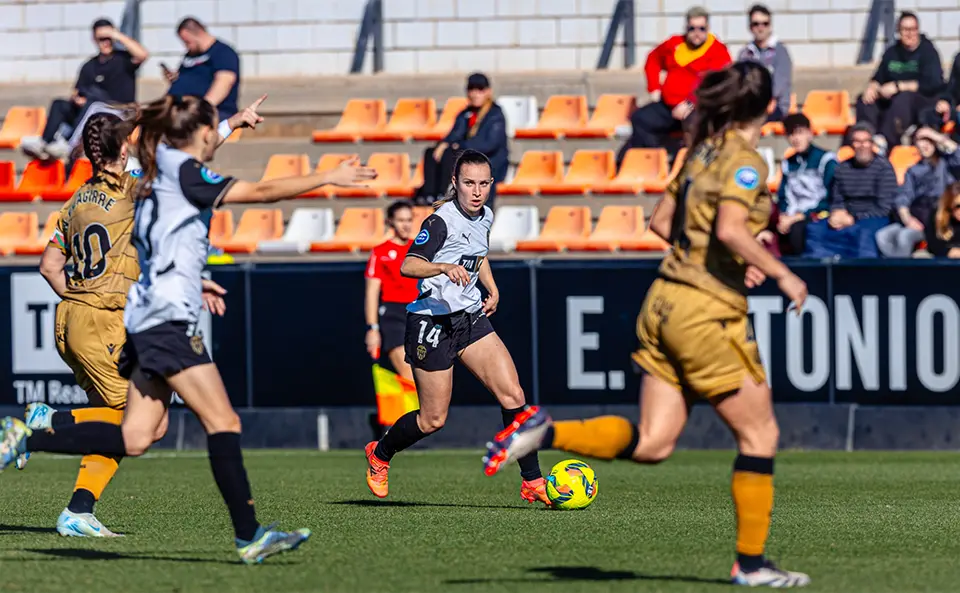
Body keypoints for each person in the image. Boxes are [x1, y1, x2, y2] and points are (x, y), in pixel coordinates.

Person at [0, 94, 376, 563]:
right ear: (197, 135)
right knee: (222, 421)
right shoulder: (169, 174)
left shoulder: (150, 176)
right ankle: (249, 536)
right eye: (212, 129)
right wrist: (327, 176)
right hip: (163, 322)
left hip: (143, 316)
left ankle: (29, 436)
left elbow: (138, 242)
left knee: (138, 434)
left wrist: (194, 277)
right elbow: (258, 193)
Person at [483, 62, 811, 587]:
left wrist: (720, 257)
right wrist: (782, 274)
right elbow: (729, 228)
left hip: (662, 301)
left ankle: (545, 430)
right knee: (761, 433)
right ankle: (751, 565)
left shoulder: (699, 152)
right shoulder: (746, 161)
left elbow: (662, 223)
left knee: (656, 443)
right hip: (706, 313)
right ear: (769, 107)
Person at [364, 150, 549, 506]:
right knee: (432, 419)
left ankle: (532, 480)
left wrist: (491, 287)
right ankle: (380, 453)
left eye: (483, 183)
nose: (476, 191)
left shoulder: (486, 214)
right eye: (469, 183)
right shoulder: (440, 221)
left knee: (514, 395)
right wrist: (443, 267)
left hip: (469, 318)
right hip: (431, 323)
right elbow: (410, 265)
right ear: (455, 183)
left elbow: (477, 255)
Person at [15, 113, 170, 538]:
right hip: (103, 321)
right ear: (123, 148)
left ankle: (79, 510)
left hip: (73, 319)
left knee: (132, 425)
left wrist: (79, 299)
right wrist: (229, 127)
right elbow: (183, 169)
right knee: (143, 422)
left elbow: (49, 266)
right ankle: (45, 422)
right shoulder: (129, 189)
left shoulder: (77, 199)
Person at [21, 18, 149, 161]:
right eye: (101, 39)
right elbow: (77, 91)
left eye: (108, 38)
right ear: (94, 39)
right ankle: (46, 142)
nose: (106, 42)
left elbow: (143, 55)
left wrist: (117, 35)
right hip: (91, 109)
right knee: (60, 104)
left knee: (94, 104)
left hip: (118, 110)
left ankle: (69, 146)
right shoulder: (89, 65)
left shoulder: (123, 59)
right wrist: (77, 99)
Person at [619, 6, 730, 160]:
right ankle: (658, 158)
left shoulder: (718, 51)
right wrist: (654, 87)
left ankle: (688, 162)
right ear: (686, 28)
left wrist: (691, 104)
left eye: (701, 28)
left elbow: (718, 84)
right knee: (640, 118)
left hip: (696, 109)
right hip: (667, 106)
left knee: (696, 127)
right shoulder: (674, 44)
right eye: (692, 28)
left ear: (708, 29)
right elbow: (653, 59)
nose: (696, 33)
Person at [805, 122, 897, 259]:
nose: (862, 146)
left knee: (863, 234)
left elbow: (884, 207)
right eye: (857, 142)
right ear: (851, 144)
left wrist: (853, 219)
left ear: (872, 143)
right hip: (846, 214)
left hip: (874, 217)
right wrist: (837, 213)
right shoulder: (842, 168)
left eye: (866, 141)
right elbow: (837, 199)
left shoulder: (884, 168)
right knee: (814, 230)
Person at [414, 73, 508, 208]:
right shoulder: (465, 114)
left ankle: (442, 192)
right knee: (432, 152)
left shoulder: (495, 115)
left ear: (488, 92)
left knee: (451, 153)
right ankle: (429, 194)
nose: (475, 94)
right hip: (467, 156)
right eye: (471, 89)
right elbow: (454, 134)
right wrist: (444, 144)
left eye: (480, 90)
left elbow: (489, 144)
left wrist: (459, 146)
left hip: (489, 162)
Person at [855, 11, 944, 151]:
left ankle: (884, 142)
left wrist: (899, 86)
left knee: (904, 98)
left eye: (913, 29)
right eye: (905, 30)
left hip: (921, 102)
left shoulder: (928, 52)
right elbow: (879, 76)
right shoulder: (892, 52)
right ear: (899, 31)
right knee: (865, 100)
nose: (910, 34)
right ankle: (866, 138)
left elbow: (933, 83)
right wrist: (873, 86)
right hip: (890, 101)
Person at [877, 127, 960, 257]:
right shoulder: (913, 170)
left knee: (904, 237)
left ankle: (902, 272)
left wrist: (936, 136)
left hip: (937, 218)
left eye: (928, 140)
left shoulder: (947, 164)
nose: (925, 144)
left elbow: (957, 153)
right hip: (917, 215)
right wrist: (908, 219)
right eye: (921, 140)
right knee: (882, 236)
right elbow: (903, 197)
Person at [365, 200, 419, 381]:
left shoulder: (420, 249)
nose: (406, 225)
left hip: (420, 312)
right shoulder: (380, 252)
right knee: (408, 373)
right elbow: (372, 293)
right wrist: (373, 328)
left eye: (409, 220)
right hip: (393, 314)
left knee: (426, 376)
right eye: (401, 220)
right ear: (391, 222)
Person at [776, 114, 837, 255]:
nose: (795, 139)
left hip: (819, 214)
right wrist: (783, 215)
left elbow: (831, 197)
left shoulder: (826, 160)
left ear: (810, 133)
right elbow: (782, 196)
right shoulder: (787, 163)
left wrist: (801, 216)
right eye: (791, 134)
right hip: (791, 216)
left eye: (800, 133)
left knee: (798, 231)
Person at [166, 18, 240, 120]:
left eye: (187, 42)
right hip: (180, 109)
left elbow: (224, 82)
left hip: (209, 113)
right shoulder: (190, 55)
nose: (186, 46)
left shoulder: (223, 53)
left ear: (197, 34)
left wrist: (201, 109)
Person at [737, 4, 792, 122]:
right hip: (751, 109)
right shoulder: (745, 53)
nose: (760, 28)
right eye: (756, 24)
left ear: (770, 26)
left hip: (775, 109)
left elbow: (778, 88)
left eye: (765, 24)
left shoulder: (780, 52)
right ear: (750, 27)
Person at [926, 182, 960, 257]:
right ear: (949, 204)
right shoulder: (937, 217)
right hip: (943, 263)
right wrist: (953, 252)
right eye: (958, 206)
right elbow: (935, 247)